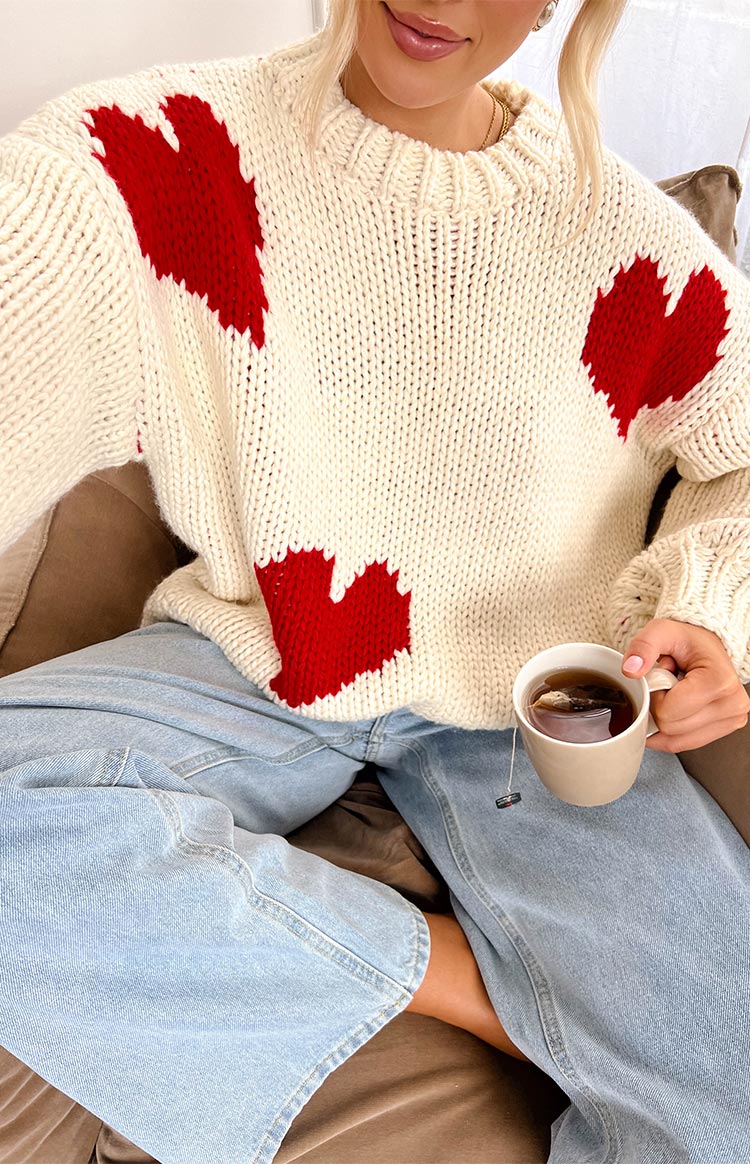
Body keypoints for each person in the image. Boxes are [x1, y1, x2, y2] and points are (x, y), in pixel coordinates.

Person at [0, 0, 748, 1160]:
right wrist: (445, 975)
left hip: (541, 713)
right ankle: (480, 993)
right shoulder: (169, 160)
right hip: (261, 658)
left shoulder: (625, 241)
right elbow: (33, 273)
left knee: (728, 1093)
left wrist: (711, 607)